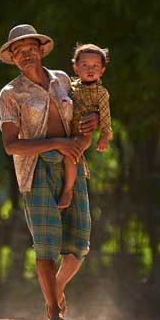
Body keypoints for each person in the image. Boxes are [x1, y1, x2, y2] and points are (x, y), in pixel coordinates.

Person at [0, 24, 99, 320]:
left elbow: (83, 114)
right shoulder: (10, 93)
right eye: (19, 52)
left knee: (79, 243)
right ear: (13, 58)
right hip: (36, 170)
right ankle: (54, 311)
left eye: (31, 49)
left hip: (72, 163)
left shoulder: (64, 80)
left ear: (41, 50)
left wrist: (91, 122)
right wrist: (56, 143)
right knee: (46, 243)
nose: (26, 56)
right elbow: (11, 146)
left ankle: (56, 287)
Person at [58, 43, 113, 210]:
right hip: (66, 129)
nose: (90, 69)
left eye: (95, 66)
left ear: (102, 70)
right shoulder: (70, 86)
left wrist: (104, 137)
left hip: (83, 133)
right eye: (85, 65)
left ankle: (67, 190)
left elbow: (105, 116)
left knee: (71, 154)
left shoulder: (101, 93)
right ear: (75, 67)